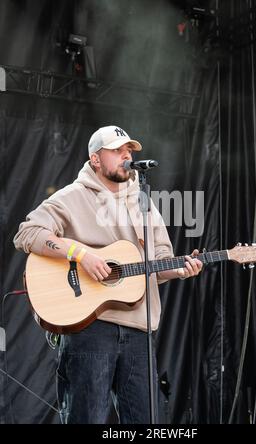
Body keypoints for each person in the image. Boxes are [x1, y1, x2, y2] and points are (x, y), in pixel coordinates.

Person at [13, 125, 203, 424]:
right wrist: (81, 255)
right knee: (86, 417)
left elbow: (161, 260)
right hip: (90, 328)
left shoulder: (144, 201)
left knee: (147, 421)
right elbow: (28, 233)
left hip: (139, 330)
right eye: (117, 150)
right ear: (96, 159)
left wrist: (180, 270)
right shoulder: (72, 197)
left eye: (129, 151)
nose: (126, 155)